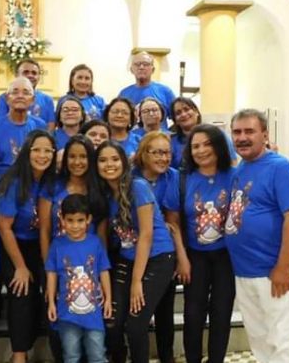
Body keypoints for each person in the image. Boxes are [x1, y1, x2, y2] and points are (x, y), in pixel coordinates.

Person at [225, 109, 289, 362]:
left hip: (273, 272)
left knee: (282, 343)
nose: (242, 137)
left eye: (249, 131)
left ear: (264, 134)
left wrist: (283, 267)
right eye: (237, 132)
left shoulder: (279, 166)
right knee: (259, 341)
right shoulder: (240, 169)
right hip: (245, 272)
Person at [96, 141, 175, 363]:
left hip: (158, 257)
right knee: (111, 321)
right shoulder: (102, 193)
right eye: (102, 160)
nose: (109, 164)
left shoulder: (138, 186)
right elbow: (102, 237)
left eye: (114, 159)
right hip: (126, 258)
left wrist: (136, 281)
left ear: (123, 162)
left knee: (136, 325)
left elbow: (146, 235)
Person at [163, 124, 236, 363]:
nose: (201, 150)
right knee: (193, 314)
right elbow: (173, 223)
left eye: (207, 144)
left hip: (227, 256)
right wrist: (182, 258)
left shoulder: (234, 176)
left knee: (222, 313)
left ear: (219, 146)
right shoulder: (182, 180)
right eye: (195, 146)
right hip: (194, 255)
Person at [0, 130, 57, 363]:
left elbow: (44, 227)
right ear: (27, 152)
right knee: (21, 290)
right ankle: (19, 355)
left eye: (48, 151)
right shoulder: (14, 181)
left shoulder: (49, 181)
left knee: (46, 289)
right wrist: (20, 267)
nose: (42, 155)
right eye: (37, 150)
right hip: (13, 244)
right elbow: (4, 227)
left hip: (39, 244)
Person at [131, 131, 189, 363]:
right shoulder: (131, 177)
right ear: (144, 154)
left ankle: (168, 357)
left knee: (165, 312)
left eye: (167, 153)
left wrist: (181, 257)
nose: (163, 158)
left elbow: (172, 223)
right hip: (132, 252)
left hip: (162, 252)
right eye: (156, 152)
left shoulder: (172, 177)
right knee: (137, 317)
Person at [46, 194, 112, 363]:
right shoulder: (57, 244)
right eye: (70, 220)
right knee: (71, 355)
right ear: (62, 219)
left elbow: (103, 271)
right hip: (66, 313)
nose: (75, 226)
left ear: (88, 219)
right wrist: (52, 302)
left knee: (97, 354)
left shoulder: (96, 243)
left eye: (80, 220)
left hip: (94, 313)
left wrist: (109, 300)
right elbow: (51, 273)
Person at [0, 77, 47, 186]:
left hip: (33, 188)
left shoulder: (40, 126)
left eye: (26, 93)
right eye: (15, 92)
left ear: (33, 99)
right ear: (7, 98)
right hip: (3, 190)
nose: (20, 96)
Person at [169, 97, 237, 169]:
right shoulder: (171, 142)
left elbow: (232, 163)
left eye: (186, 109)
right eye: (178, 113)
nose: (183, 114)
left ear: (196, 112)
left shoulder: (218, 135)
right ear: (175, 120)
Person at [119, 51, 175, 130]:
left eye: (146, 64)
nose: (141, 67)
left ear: (153, 69)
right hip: (134, 140)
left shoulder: (165, 91)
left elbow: (178, 118)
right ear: (131, 69)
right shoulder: (124, 94)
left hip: (159, 139)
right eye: (137, 64)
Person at [0, 58, 56, 129]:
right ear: (17, 75)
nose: (30, 75)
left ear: (39, 77)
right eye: (26, 72)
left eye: (34, 73)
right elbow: (0, 124)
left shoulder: (47, 100)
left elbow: (51, 126)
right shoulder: (5, 97)